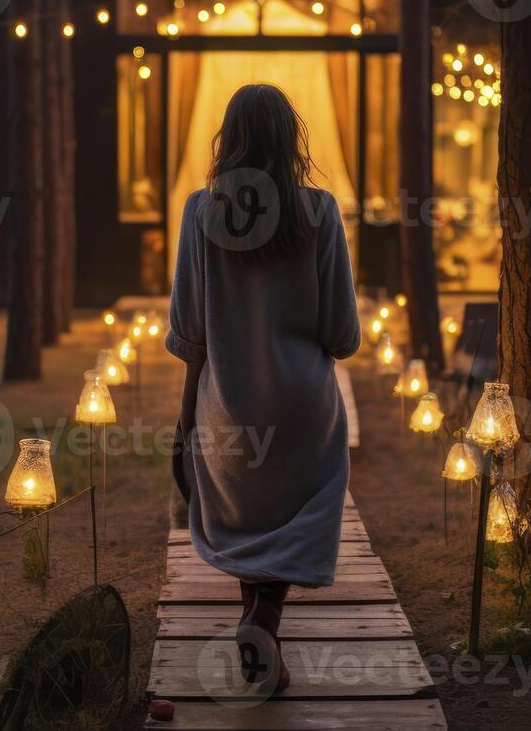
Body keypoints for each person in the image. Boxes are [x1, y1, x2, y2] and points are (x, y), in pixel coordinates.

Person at [165, 83, 360, 697]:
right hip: (305, 408)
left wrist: (185, 416)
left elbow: (190, 335)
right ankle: (262, 627)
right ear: (290, 140)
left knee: (247, 520)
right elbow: (343, 335)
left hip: (229, 407)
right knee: (291, 515)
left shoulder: (201, 212)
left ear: (230, 139)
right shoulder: (320, 212)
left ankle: (257, 623)